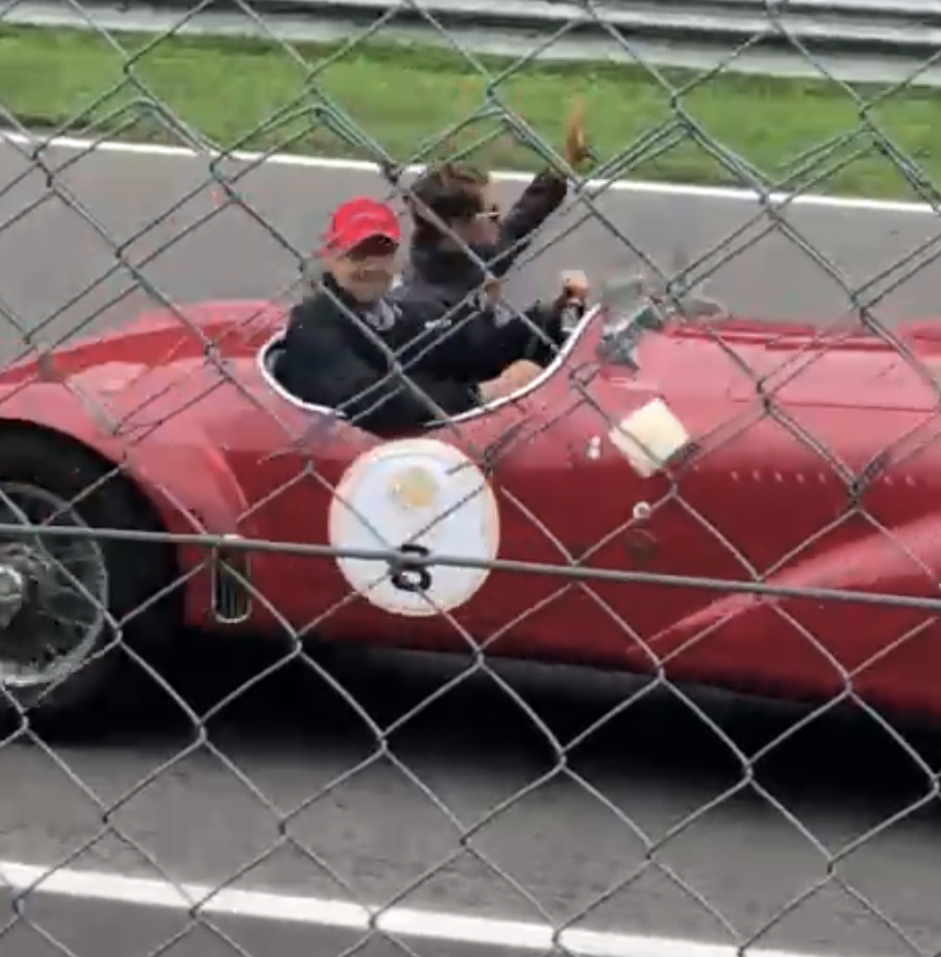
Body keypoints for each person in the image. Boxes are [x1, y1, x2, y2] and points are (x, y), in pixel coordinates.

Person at [274, 196, 546, 434]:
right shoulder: (313, 323)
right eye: (357, 255)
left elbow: (470, 347)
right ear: (330, 257)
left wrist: (549, 315)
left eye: (380, 252)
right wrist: (487, 392)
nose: (371, 266)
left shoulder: (399, 314)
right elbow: (371, 401)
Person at [392, 101, 594, 381]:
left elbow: (519, 223)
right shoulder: (425, 306)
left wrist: (559, 170)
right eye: (493, 213)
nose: (501, 220)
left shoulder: (465, 254)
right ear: (457, 225)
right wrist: (548, 317)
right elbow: (483, 358)